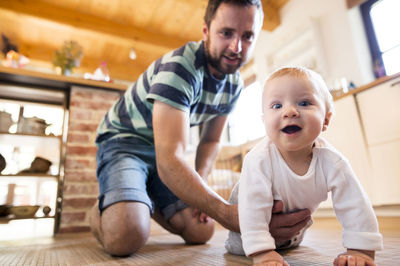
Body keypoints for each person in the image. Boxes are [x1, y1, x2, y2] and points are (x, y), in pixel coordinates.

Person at [90, 0, 311, 257]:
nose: (235, 47)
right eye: (226, 33)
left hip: (161, 154)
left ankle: (136, 195)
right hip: (123, 141)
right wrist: (225, 212)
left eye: (247, 36)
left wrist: (202, 180)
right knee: (126, 236)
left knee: (201, 231)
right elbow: (170, 158)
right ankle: (101, 210)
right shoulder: (180, 68)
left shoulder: (234, 84)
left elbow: (210, 141)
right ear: (206, 30)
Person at [225, 66, 383, 265]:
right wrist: (262, 253)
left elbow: (355, 203)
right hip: (245, 239)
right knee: (247, 231)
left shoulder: (332, 161)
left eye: (304, 103)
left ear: (326, 119)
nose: (290, 111)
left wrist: (361, 250)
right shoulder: (257, 160)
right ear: (264, 121)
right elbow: (252, 208)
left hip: (292, 238)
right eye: (276, 106)